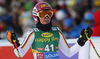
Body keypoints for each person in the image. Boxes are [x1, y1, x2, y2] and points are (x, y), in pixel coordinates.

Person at [6, 2, 93, 59]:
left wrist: (82, 40)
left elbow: (68, 52)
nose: (46, 17)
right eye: (43, 14)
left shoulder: (57, 31)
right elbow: (20, 54)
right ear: (37, 17)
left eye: (49, 14)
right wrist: (15, 43)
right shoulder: (33, 33)